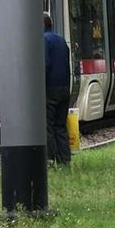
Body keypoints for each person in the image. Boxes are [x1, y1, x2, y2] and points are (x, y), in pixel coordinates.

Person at [44, 12, 71, 165]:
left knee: (48, 125)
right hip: (64, 88)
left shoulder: (43, 40)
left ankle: (50, 159)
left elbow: (45, 65)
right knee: (60, 125)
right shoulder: (61, 40)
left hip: (50, 88)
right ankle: (65, 160)